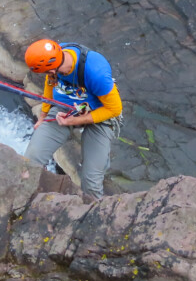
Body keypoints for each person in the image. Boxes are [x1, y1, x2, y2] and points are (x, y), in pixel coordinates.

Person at [22, 39, 123, 201]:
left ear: (52, 68)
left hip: (99, 112)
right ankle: (27, 200)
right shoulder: (57, 56)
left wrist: (73, 122)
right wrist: (42, 117)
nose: (47, 76)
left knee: (91, 183)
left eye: (47, 72)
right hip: (65, 107)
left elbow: (115, 109)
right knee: (30, 162)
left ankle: (91, 213)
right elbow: (50, 85)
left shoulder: (95, 72)